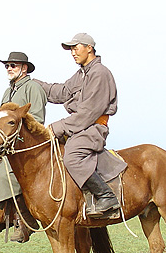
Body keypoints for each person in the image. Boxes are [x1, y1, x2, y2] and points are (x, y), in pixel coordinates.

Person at [32, 33, 120, 219]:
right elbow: (62, 91)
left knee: (71, 156)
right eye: (71, 49)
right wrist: (33, 83)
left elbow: (88, 113)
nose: (73, 52)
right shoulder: (82, 73)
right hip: (81, 126)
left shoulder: (100, 73)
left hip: (93, 128)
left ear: (89, 48)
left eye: (76, 47)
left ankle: (106, 196)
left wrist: (56, 127)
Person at [0, 52, 46, 243]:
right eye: (7, 65)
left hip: (27, 146)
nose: (9, 68)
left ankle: (25, 220)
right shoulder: (7, 92)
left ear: (24, 68)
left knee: (6, 173)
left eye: (13, 65)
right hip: (7, 144)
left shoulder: (33, 88)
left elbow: (38, 119)